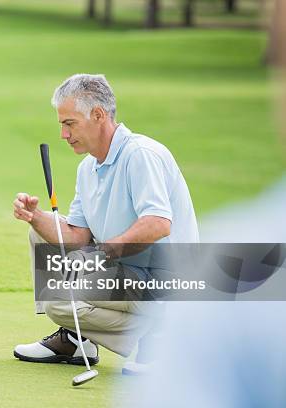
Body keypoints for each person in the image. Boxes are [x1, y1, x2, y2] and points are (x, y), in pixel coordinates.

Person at [12, 74, 198, 369]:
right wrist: (35, 217)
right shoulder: (88, 168)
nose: (63, 134)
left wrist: (102, 254)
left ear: (98, 115)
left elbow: (159, 223)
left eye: (69, 123)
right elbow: (75, 237)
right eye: (61, 124)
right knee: (43, 240)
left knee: (58, 299)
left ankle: (166, 335)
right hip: (129, 273)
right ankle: (75, 341)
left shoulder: (140, 154)